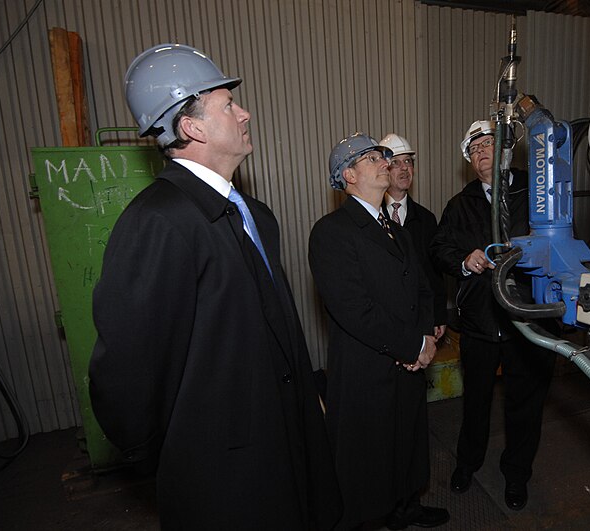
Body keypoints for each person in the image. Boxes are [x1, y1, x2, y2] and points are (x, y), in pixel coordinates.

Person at [88, 44, 341, 530]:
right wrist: (171, 456)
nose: (244, 113)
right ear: (192, 127)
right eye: (228, 104)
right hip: (224, 473)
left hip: (283, 442)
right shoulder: (158, 222)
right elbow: (127, 374)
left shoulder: (252, 214)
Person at [309, 133, 449, 530]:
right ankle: (369, 517)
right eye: (372, 158)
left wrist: (426, 340)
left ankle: (406, 507)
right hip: (367, 366)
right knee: (367, 454)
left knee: (405, 439)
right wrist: (411, 345)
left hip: (407, 361)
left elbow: (422, 287)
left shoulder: (395, 227)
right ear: (348, 175)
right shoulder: (331, 231)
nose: (385, 163)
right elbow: (353, 309)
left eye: (384, 157)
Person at [429, 120, 556, 511]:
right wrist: (465, 261)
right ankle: (468, 464)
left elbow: (560, 241)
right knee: (476, 402)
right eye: (476, 148)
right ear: (469, 161)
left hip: (527, 322)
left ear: (506, 151)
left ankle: (516, 475)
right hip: (481, 322)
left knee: (525, 405)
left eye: (489, 144)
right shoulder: (459, 204)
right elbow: (439, 249)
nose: (483, 151)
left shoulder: (537, 193)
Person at [378, 134, 446, 340]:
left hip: (419, 316)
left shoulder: (426, 218)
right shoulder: (372, 217)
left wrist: (438, 314)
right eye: (396, 163)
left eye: (408, 161)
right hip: (384, 319)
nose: (404, 168)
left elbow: (434, 271)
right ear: (384, 169)